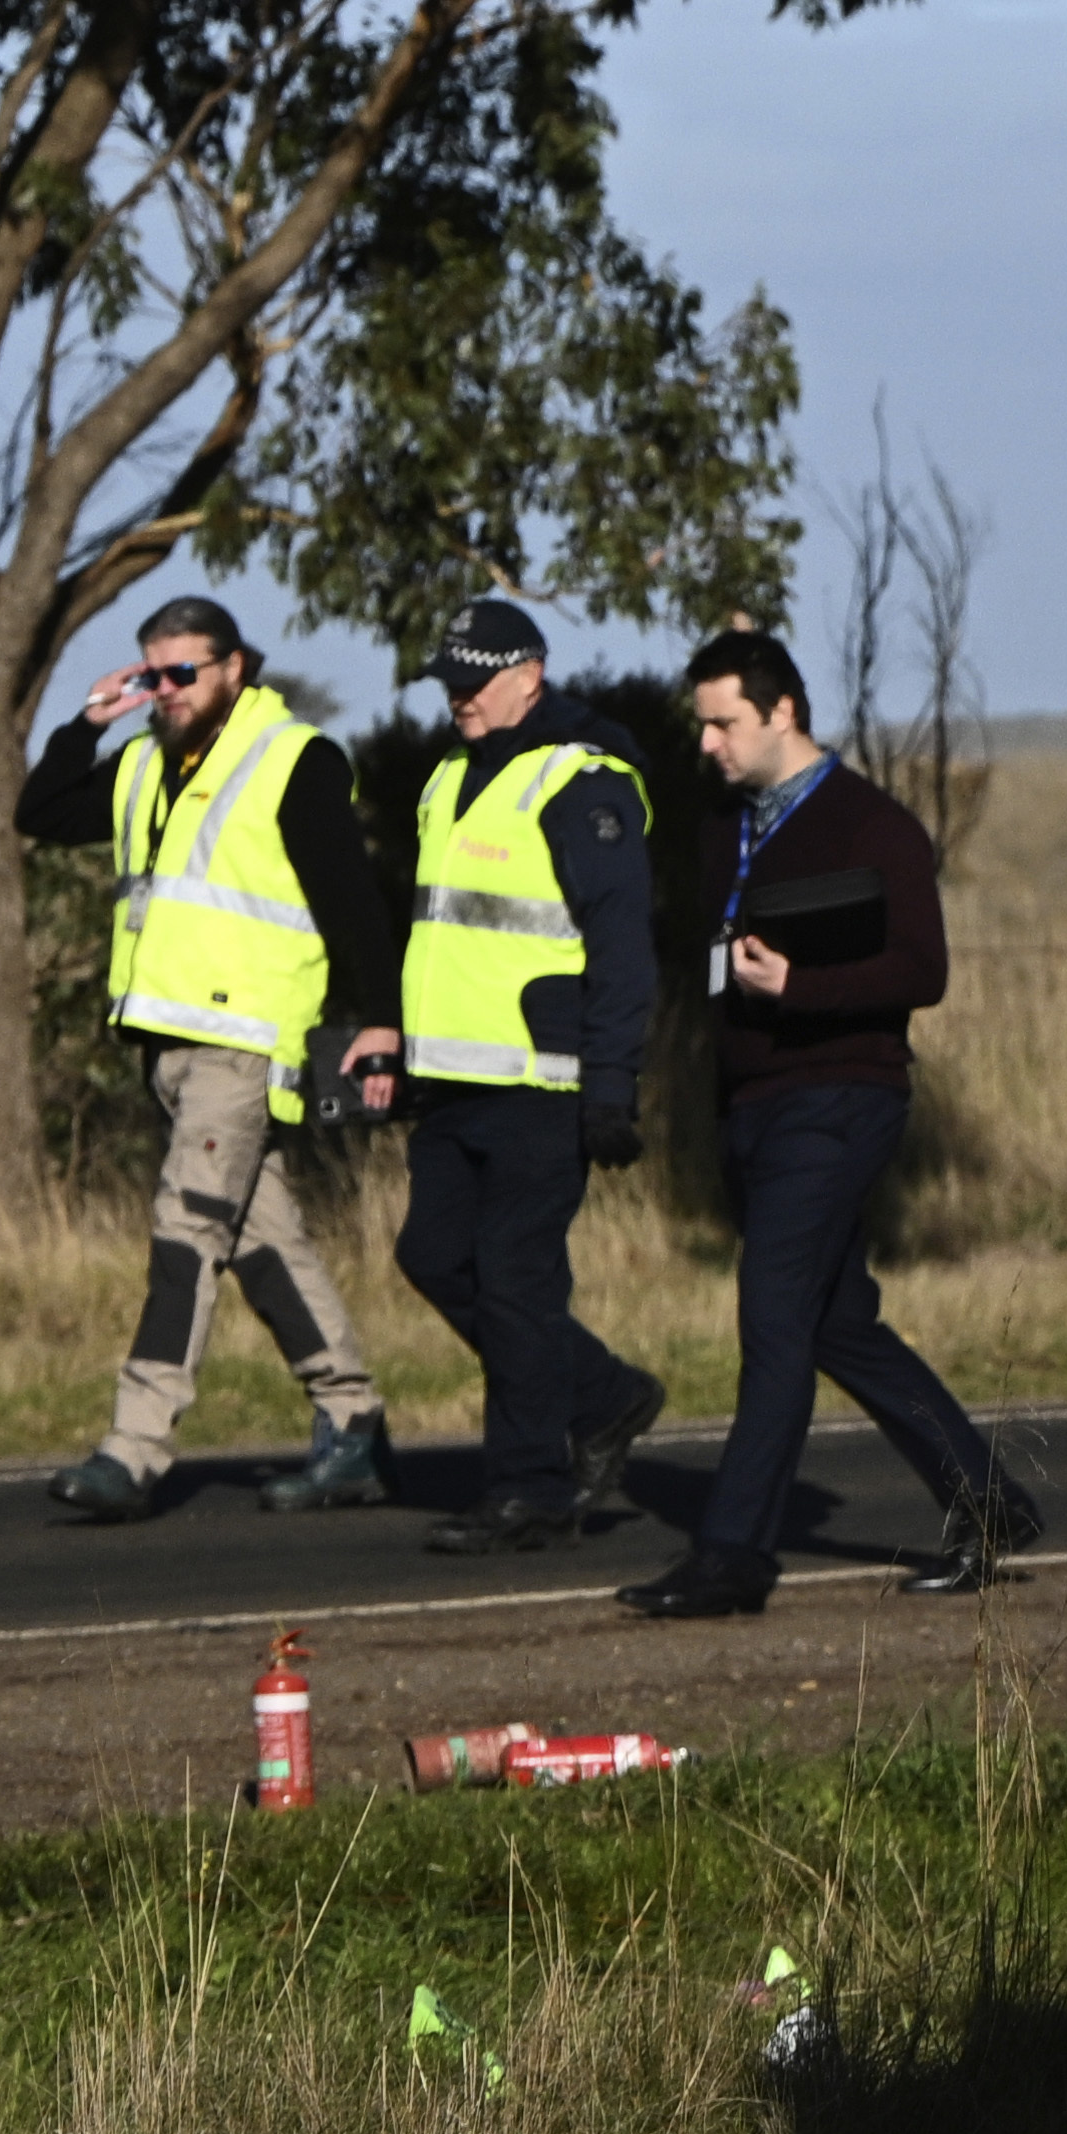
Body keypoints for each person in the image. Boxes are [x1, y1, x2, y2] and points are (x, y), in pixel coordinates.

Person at [622, 627, 1036, 1618]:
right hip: (756, 1108)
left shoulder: (872, 825)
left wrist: (800, 984)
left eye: (724, 723)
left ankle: (732, 1558)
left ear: (781, 713)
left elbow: (920, 971)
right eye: (702, 725)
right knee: (838, 1324)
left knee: (772, 1322)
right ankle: (988, 1505)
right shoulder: (727, 821)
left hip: (841, 1099)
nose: (709, 744)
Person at [17, 591, 402, 1519]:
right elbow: (42, 811)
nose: (168, 690)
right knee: (264, 1243)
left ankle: (135, 1446)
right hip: (174, 1051)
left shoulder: (292, 759)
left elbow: (352, 899)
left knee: (186, 1228)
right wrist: (86, 722)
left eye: (185, 671)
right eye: (154, 674)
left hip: (248, 1044)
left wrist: (385, 1018)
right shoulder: (144, 762)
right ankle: (353, 1426)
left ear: (235, 667)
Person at [348, 593, 664, 1554]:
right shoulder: (448, 779)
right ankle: (604, 1395)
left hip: (541, 1081)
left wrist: (610, 1084)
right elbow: (440, 939)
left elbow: (622, 948)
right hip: (452, 1081)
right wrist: (399, 1041)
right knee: (435, 1259)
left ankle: (530, 1487)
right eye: (448, 683)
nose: (457, 699)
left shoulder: (583, 784)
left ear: (530, 674)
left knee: (519, 1283)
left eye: (473, 682)